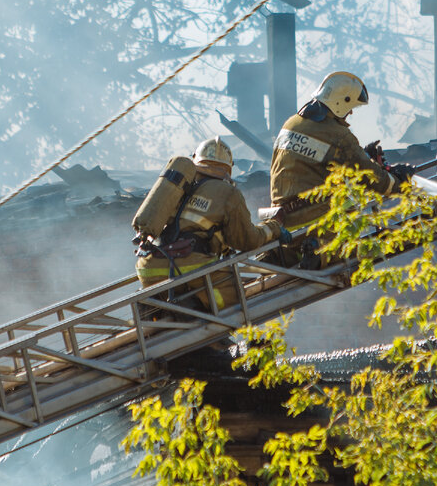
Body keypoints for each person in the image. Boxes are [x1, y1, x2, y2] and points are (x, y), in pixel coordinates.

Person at [269, 71, 413, 264]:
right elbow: (371, 178)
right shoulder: (338, 135)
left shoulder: (291, 124)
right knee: (363, 247)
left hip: (283, 224)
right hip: (316, 223)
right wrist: (398, 181)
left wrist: (365, 156)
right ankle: (323, 253)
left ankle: (313, 250)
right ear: (340, 102)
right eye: (350, 106)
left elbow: (315, 164)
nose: (351, 112)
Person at [134, 137, 284, 313]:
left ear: (196, 160)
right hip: (192, 266)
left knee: (190, 311)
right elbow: (247, 240)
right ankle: (206, 321)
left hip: (149, 268)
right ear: (228, 167)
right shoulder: (228, 193)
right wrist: (274, 227)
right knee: (235, 305)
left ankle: (167, 311)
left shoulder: (177, 186)